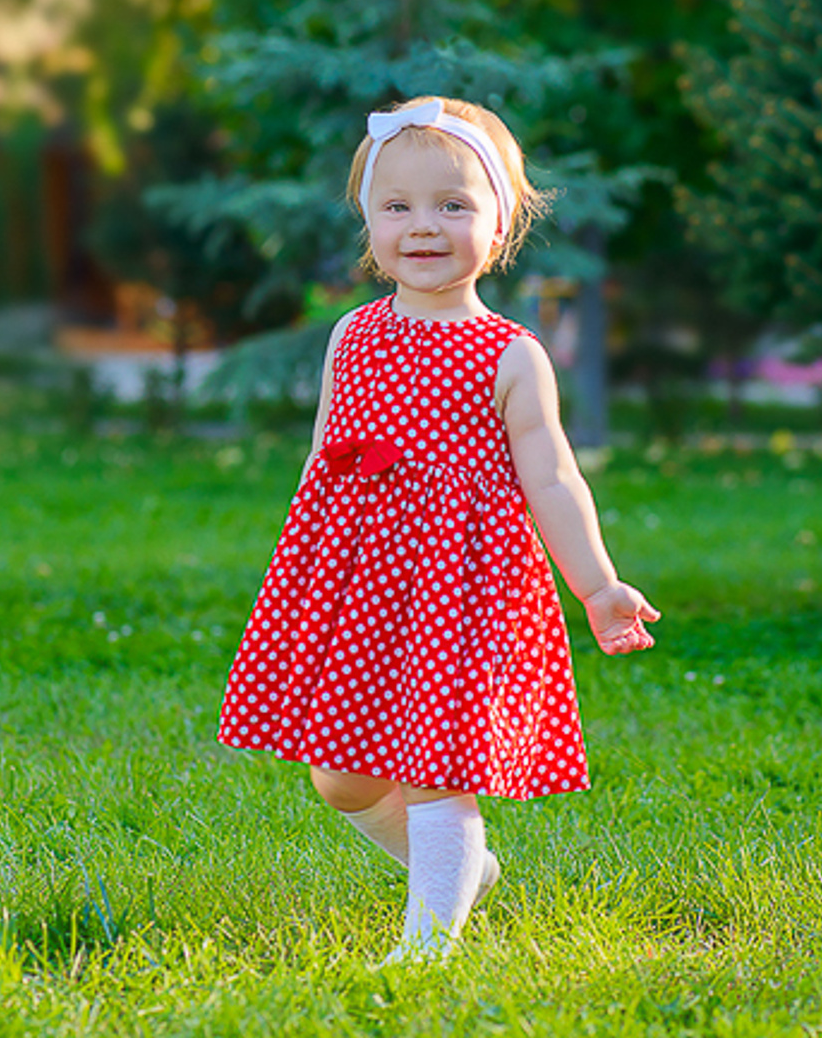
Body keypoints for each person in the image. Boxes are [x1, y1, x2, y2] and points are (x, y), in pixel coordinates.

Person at [217, 95, 661, 964]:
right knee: (342, 778)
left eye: (453, 204)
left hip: (461, 592)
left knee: (435, 771)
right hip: (358, 586)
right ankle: (461, 872)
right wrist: (303, 572)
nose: (423, 226)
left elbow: (553, 478)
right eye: (398, 206)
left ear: (501, 224)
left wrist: (598, 585)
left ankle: (427, 946)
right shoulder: (352, 336)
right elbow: (325, 455)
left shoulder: (509, 354)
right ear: (369, 223)